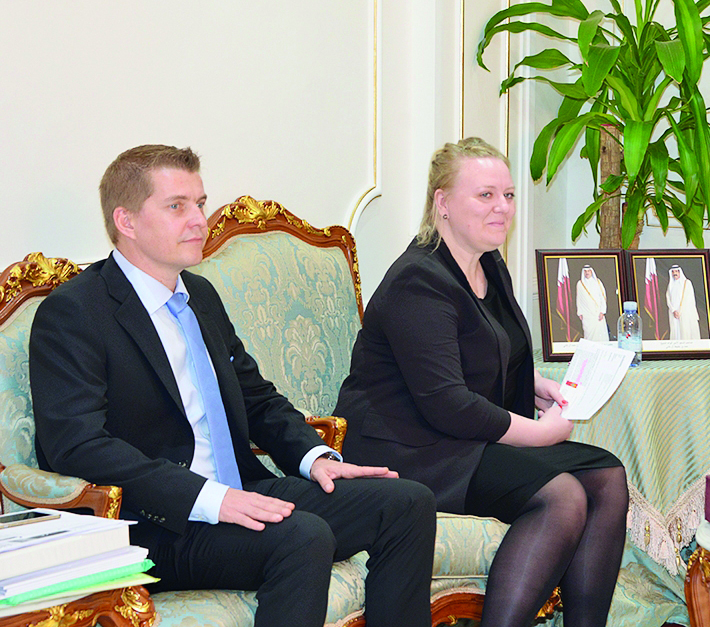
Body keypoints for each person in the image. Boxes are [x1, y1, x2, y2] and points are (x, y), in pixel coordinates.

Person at [30, 145, 437, 627]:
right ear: (127, 220)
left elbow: (256, 396)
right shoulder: (75, 312)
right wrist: (210, 499)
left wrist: (317, 459)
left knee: (406, 502)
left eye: (200, 203)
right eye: (177, 206)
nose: (199, 220)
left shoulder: (198, 294)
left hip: (241, 486)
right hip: (156, 525)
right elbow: (76, 445)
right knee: (302, 536)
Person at [333, 138, 629, 627]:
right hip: (405, 445)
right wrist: (538, 432)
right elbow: (448, 402)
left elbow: (486, 350)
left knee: (605, 475)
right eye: (486, 196)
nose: (503, 208)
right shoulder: (418, 280)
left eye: (508, 196)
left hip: (456, 436)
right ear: (443, 203)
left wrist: (533, 383)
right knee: (563, 494)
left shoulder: (488, 262)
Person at [666, 265, 702, 340]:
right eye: (673, 272)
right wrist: (673, 310)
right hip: (674, 313)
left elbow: (688, 299)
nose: (674, 273)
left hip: (684, 312)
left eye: (676, 271)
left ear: (679, 272)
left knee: (685, 330)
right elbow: (668, 298)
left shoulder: (687, 283)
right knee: (675, 330)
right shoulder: (670, 285)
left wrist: (680, 311)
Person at [576, 264, 609, 341]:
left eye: (588, 271)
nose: (587, 273)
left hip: (597, 313)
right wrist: (580, 312)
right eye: (585, 271)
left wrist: (602, 311)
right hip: (586, 314)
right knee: (588, 334)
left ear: (591, 272)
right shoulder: (580, 284)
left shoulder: (598, 282)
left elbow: (603, 297)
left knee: (599, 333)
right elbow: (579, 299)